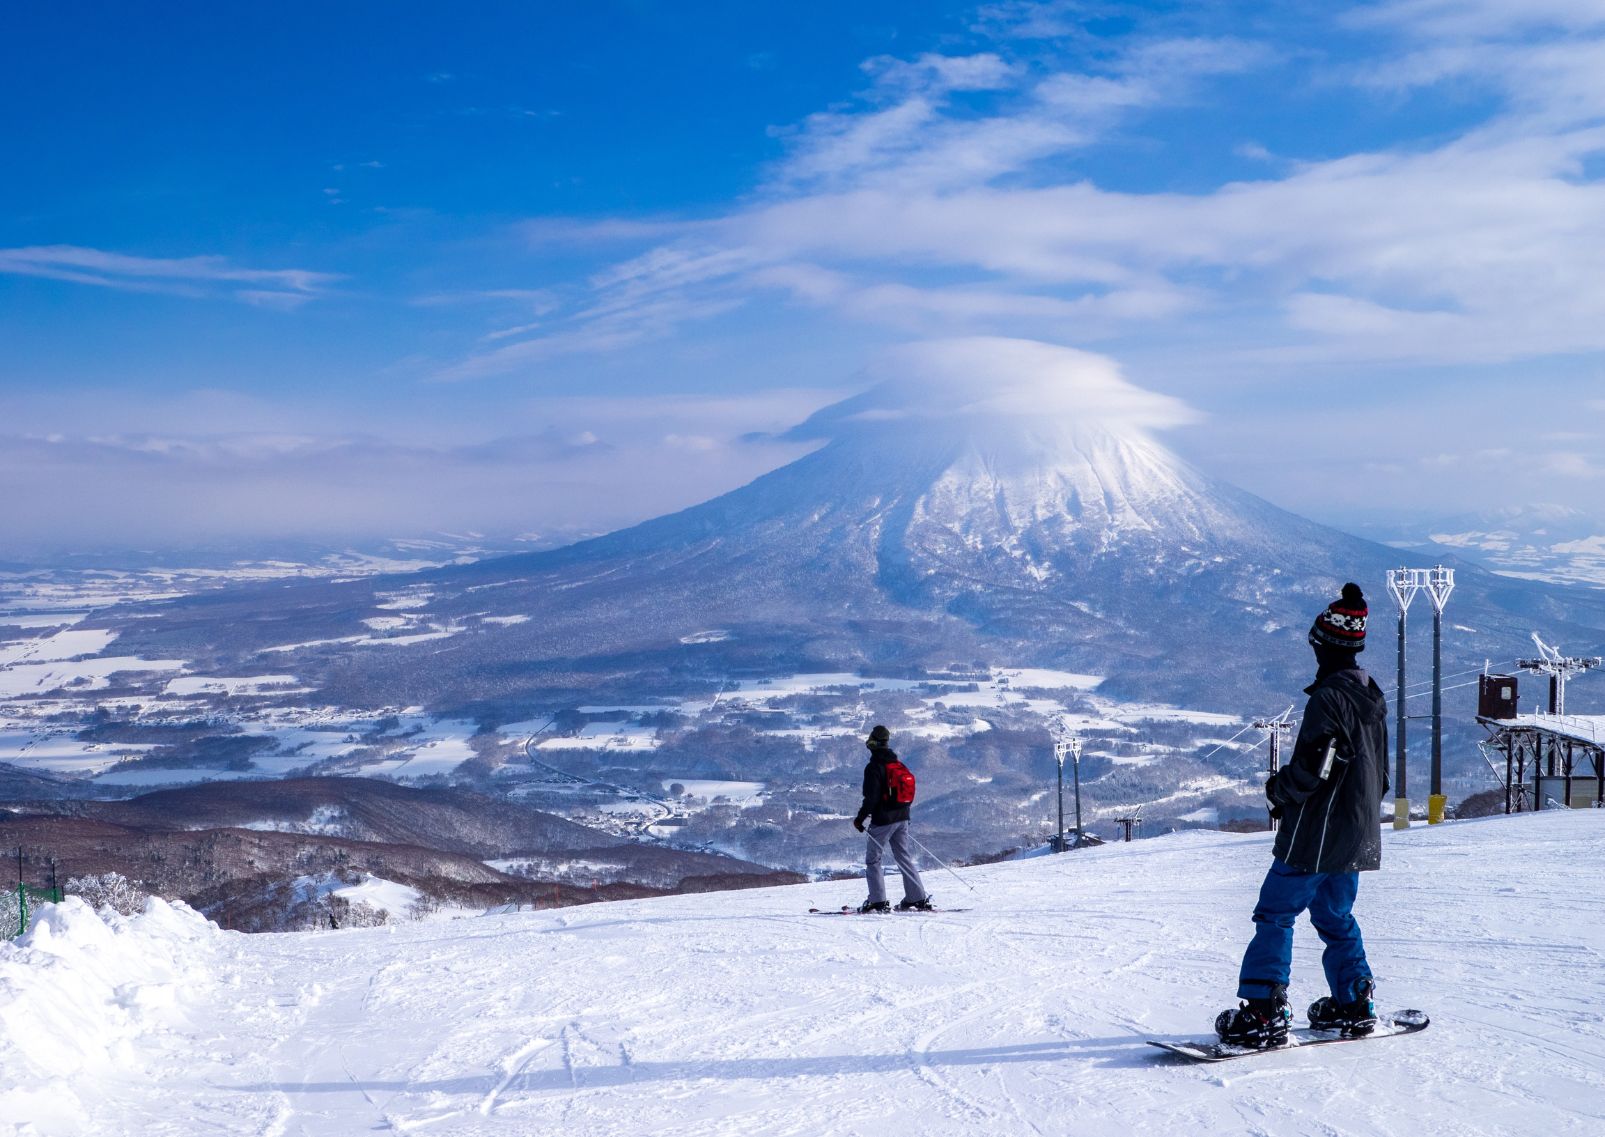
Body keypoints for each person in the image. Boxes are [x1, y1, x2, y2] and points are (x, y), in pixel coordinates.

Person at [1215, 582, 1390, 1048]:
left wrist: (1279, 789)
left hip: (1317, 833)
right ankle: (1355, 1002)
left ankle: (1264, 1009)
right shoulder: (1371, 693)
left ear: (1325, 645)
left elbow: (1313, 768)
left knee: (1275, 912)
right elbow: (1382, 773)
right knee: (1336, 916)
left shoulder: (1328, 698)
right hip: (1357, 832)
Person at [852, 724, 932, 913]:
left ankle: (877, 901)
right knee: (903, 857)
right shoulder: (898, 764)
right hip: (903, 817)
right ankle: (917, 897)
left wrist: (860, 819)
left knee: (873, 860)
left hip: (883, 821)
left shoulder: (874, 767)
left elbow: (870, 798)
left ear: (872, 743)